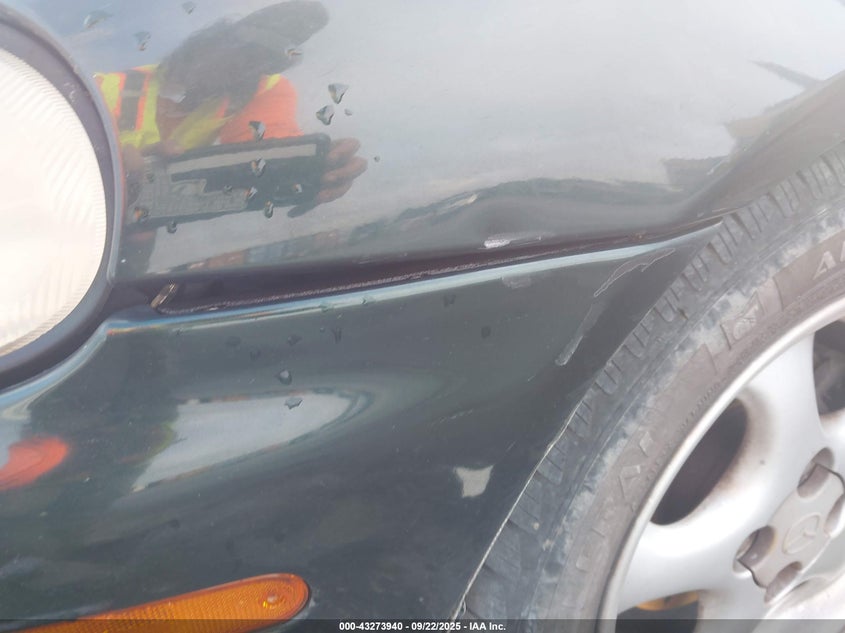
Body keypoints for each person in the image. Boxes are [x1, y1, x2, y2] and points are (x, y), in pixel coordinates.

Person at [98, 1, 365, 209]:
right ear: (204, 40)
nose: (244, 66)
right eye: (241, 48)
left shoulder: (255, 90)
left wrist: (319, 167)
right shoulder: (101, 89)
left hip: (148, 228)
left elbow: (267, 150)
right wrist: (106, 169)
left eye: (261, 61)